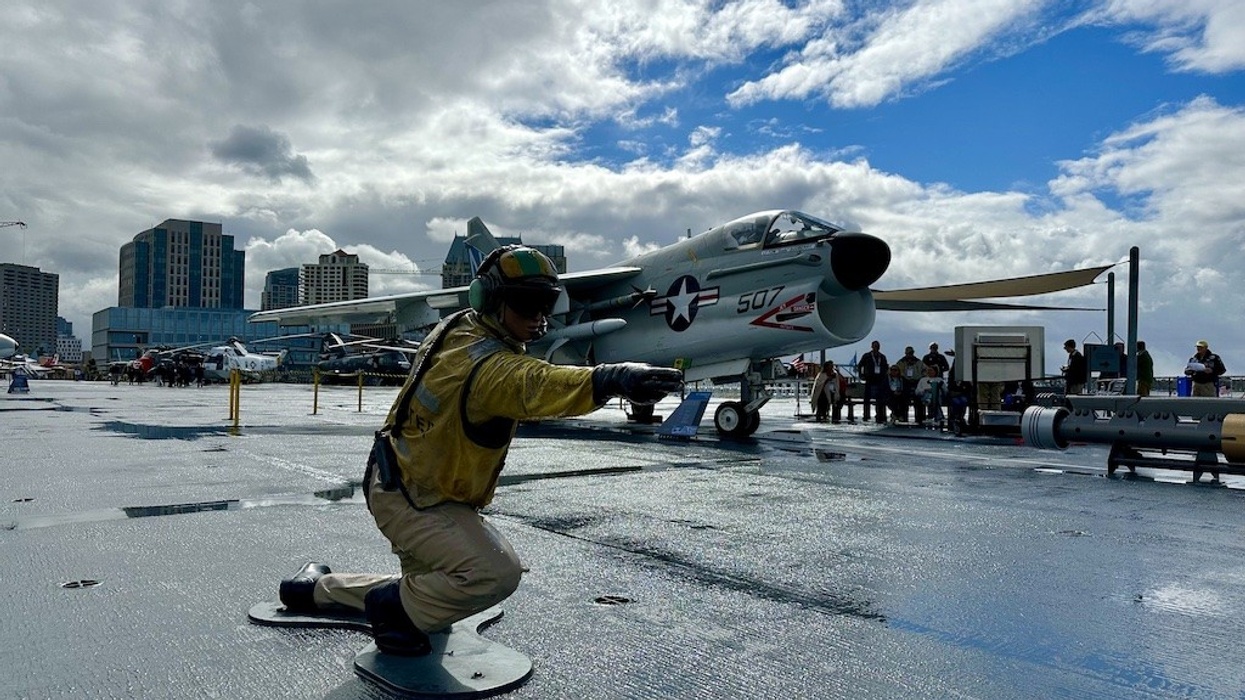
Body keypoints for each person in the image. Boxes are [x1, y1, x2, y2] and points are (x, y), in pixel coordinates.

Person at [274, 246, 683, 656]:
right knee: (492, 573)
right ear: (490, 300)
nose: (539, 316)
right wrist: (610, 379)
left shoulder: (460, 325)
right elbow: (534, 383)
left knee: (428, 588)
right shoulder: (488, 367)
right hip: (418, 499)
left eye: (546, 303)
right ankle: (394, 613)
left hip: (404, 479)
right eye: (526, 304)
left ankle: (311, 589)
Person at [857, 340, 889, 424]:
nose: (876, 347)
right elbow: (860, 365)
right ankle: (866, 415)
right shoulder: (867, 356)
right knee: (867, 399)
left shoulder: (882, 357)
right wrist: (861, 375)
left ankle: (880, 415)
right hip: (869, 379)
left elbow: (886, 367)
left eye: (877, 346)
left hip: (879, 380)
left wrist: (884, 377)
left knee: (880, 399)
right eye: (874, 346)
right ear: (872, 346)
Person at [895, 346, 925, 423]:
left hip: (916, 383)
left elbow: (925, 370)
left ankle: (919, 419)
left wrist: (921, 378)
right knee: (904, 401)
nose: (909, 355)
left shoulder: (918, 362)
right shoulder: (901, 362)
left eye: (911, 353)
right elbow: (895, 370)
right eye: (908, 353)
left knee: (918, 401)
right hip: (905, 383)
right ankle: (904, 418)